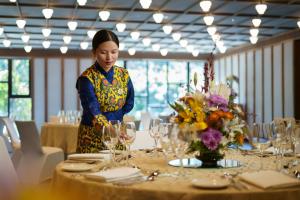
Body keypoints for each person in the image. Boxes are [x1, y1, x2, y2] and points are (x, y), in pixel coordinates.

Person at [76, 29, 134, 153]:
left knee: (118, 169)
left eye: (114, 52)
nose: (109, 57)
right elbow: (93, 110)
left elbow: (129, 102)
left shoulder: (123, 74)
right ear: (94, 52)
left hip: (119, 133)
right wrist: (110, 127)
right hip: (92, 136)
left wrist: (116, 120)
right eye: (103, 52)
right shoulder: (87, 78)